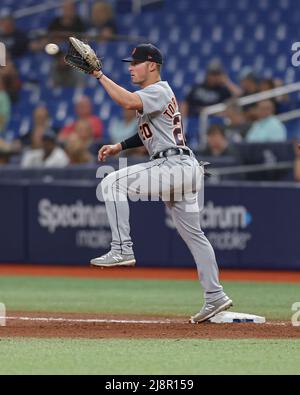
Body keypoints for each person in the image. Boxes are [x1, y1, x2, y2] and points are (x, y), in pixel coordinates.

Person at [84, 43, 232, 323]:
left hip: (173, 165)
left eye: (136, 63)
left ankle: (122, 248)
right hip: (184, 168)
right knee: (195, 236)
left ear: (152, 65)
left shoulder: (158, 90)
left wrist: (98, 75)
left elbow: (127, 101)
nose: (131, 67)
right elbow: (148, 134)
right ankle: (215, 296)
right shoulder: (156, 95)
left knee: (111, 183)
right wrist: (120, 146)